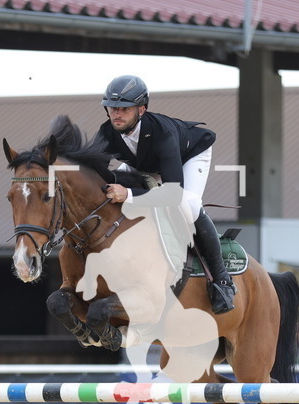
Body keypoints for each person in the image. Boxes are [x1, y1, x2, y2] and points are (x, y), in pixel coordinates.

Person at [94, 75, 236, 315]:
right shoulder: (107, 131)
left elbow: (171, 193)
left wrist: (128, 193)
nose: (116, 114)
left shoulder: (162, 132)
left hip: (189, 155)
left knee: (187, 205)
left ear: (141, 109)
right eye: (112, 108)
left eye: (124, 109)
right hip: (146, 162)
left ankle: (222, 280)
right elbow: (95, 171)